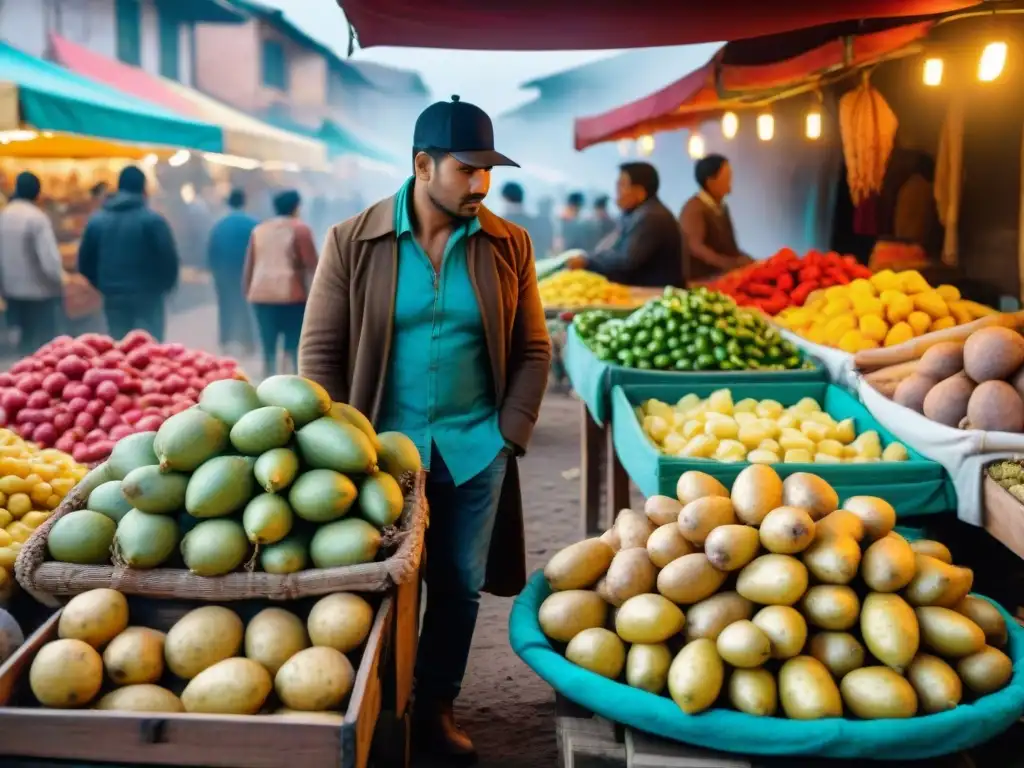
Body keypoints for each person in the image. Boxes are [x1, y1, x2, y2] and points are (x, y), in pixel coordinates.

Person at [299, 94, 550, 762]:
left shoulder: (508, 245)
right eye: (468, 169)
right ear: (422, 164)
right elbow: (319, 354)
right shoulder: (353, 241)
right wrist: (336, 447)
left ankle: (435, 705)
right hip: (376, 454)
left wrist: (510, 435)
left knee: (459, 584)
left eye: (487, 170)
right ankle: (375, 701)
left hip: (475, 450)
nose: (481, 183)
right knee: (375, 578)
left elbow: (534, 352)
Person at [78, 167, 178, 341]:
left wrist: (104, 285)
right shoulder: (153, 221)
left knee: (120, 351)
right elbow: (169, 261)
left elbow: (84, 263)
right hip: (149, 298)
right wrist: (162, 288)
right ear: (143, 189)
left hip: (113, 297)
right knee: (150, 352)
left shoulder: (97, 221)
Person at [565, 162, 683, 287]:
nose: (617, 193)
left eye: (622, 186)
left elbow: (626, 261)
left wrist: (588, 262)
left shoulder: (651, 216)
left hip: (655, 295)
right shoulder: (639, 213)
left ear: (640, 191)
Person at [243, 189, 318, 376]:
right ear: (296, 207)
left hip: (261, 296)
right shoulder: (301, 229)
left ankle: (266, 383)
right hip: (292, 295)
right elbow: (313, 265)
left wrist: (248, 291)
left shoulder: (259, 230)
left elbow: (250, 265)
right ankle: (292, 381)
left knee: (268, 345)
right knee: (293, 345)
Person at [0, 172, 65, 354]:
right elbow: (49, 260)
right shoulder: (37, 218)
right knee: (45, 349)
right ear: (37, 192)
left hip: (12, 292)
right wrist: (60, 282)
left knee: (23, 344)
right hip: (40, 294)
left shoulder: (4, 215)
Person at [679, 154, 753, 284]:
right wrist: (729, 264)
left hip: (721, 277)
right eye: (726, 177)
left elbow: (730, 247)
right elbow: (696, 247)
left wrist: (747, 261)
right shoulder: (694, 208)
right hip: (702, 281)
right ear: (711, 182)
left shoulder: (722, 207)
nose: (730, 181)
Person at [207, 188, 257, 355]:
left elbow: (211, 251)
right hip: (247, 272)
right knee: (246, 307)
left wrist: (213, 270)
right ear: (244, 202)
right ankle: (248, 342)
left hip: (224, 272)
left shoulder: (219, 224)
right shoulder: (253, 224)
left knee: (226, 305)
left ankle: (227, 341)